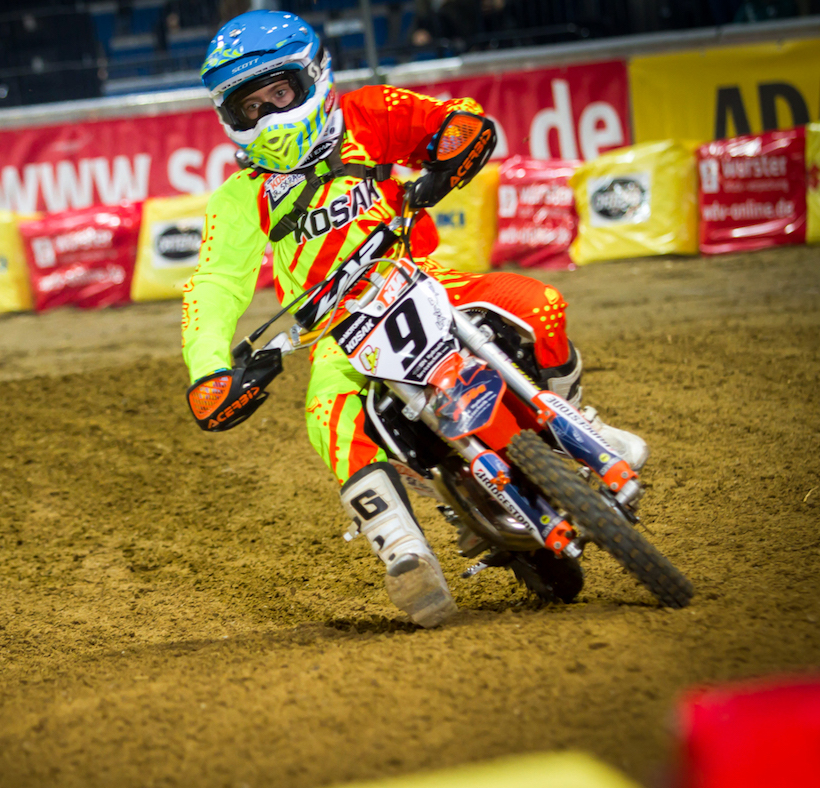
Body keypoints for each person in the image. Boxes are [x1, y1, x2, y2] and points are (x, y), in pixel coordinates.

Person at [181, 10, 646, 628]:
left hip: (422, 278)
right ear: (230, 117)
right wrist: (209, 369)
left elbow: (448, 118)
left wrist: (457, 139)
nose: (268, 115)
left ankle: (577, 423)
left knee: (537, 304)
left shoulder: (367, 115)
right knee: (327, 414)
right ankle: (403, 550)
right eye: (251, 106)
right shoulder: (239, 197)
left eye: (280, 94)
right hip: (335, 330)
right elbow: (214, 284)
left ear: (312, 76)